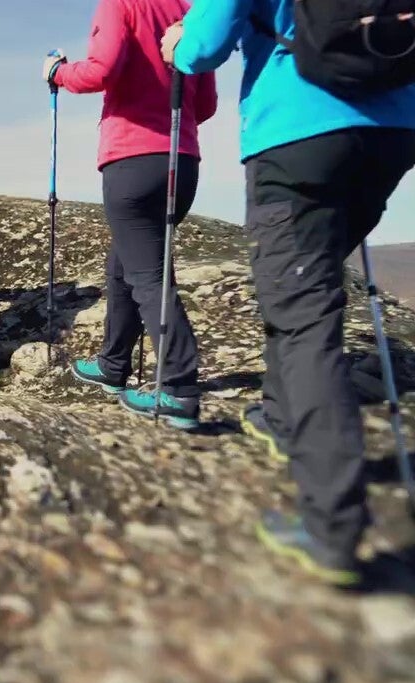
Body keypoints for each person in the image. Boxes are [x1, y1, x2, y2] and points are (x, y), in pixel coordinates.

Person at [163, 1, 415, 585]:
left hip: (297, 131)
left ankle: (332, 526)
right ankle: (280, 417)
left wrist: (174, 43)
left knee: (304, 313)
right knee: (309, 283)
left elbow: (204, 46)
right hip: (395, 130)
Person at [44, 0, 218, 430]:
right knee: (126, 263)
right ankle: (113, 364)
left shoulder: (121, 4)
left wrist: (57, 73)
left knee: (148, 275)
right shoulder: (191, 12)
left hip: (131, 158)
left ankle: (178, 386)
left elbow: (99, 72)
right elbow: (207, 103)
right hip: (183, 157)